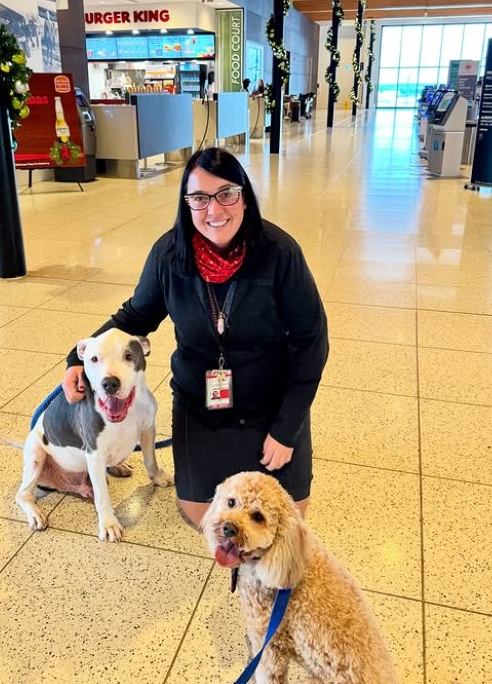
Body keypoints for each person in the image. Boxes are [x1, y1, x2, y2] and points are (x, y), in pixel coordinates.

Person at [62, 148, 329, 528]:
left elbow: (311, 342)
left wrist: (286, 431)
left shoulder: (279, 253)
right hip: (202, 403)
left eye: (226, 194)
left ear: (244, 197)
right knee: (202, 516)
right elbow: (136, 316)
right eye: (200, 198)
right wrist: (77, 358)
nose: (214, 210)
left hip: (271, 401)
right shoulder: (169, 255)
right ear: (186, 204)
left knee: (284, 518)